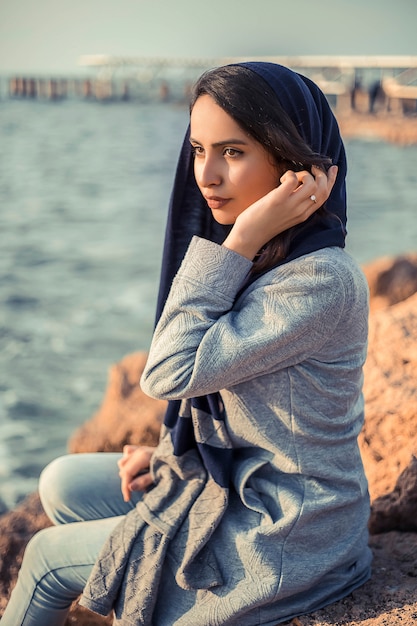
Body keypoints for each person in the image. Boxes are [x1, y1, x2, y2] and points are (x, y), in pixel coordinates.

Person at [2, 61, 372, 626]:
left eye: (233, 151)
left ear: (293, 162)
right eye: (198, 149)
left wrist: (242, 235)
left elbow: (169, 370)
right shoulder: (269, 260)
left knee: (46, 557)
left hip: (285, 530)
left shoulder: (318, 279)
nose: (206, 175)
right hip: (237, 482)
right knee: (62, 484)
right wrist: (171, 451)